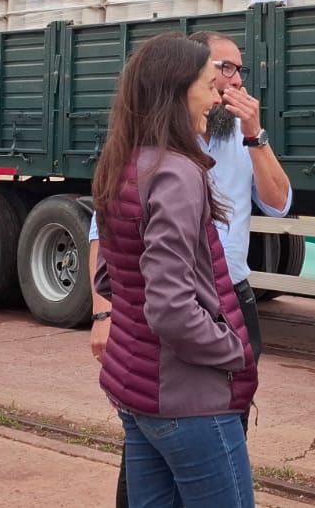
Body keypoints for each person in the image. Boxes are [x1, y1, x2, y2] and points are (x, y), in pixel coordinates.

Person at [89, 30, 292, 505]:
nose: (227, 87)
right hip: (189, 380)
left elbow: (113, 273)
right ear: (178, 87)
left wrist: (255, 136)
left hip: (144, 378)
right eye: (216, 74)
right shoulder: (180, 172)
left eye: (237, 72)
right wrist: (234, 353)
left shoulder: (127, 158)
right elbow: (170, 308)